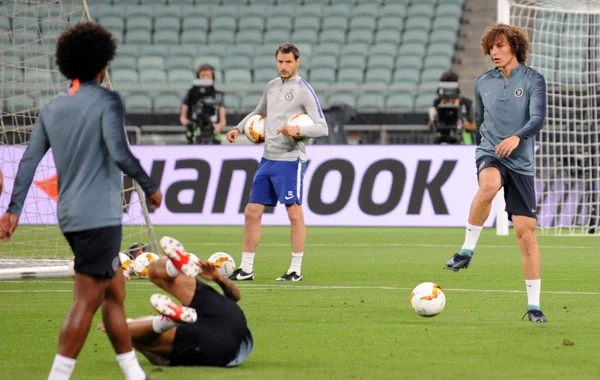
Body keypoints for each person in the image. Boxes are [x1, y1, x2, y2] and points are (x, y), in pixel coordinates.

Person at [0, 22, 162, 379]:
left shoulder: (53, 108)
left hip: (70, 216)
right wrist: (150, 186)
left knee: (114, 292)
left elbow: (28, 160)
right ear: (103, 64)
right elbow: (120, 153)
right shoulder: (107, 100)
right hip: (99, 218)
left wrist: (13, 210)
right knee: (87, 300)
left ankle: (135, 374)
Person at [444, 23, 547, 323]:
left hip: (521, 162)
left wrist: (517, 137)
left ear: (514, 47)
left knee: (525, 235)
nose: (494, 52)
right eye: (490, 47)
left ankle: (534, 307)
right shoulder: (482, 82)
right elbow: (479, 119)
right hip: (490, 151)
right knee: (488, 185)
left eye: (500, 46)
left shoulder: (533, 80)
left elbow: (538, 117)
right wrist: (482, 153)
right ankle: (466, 250)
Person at [225, 42, 329, 282]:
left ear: (297, 62)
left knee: (294, 214)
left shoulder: (304, 90)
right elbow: (258, 112)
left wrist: (298, 129)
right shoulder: (271, 87)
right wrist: (237, 128)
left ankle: (295, 269)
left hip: (290, 159)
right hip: (267, 158)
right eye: (280, 62)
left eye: (288, 62)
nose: (284, 66)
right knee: (252, 211)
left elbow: (322, 127)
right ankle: (247, 268)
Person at [98, 236, 253, 367]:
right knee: (153, 274)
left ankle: (166, 317)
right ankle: (172, 272)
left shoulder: (199, 328)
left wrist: (220, 281)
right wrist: (219, 278)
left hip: (223, 335)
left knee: (135, 336)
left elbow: (235, 297)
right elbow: (235, 297)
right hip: (230, 322)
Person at [180, 64, 226, 145]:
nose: (205, 78)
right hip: (195, 130)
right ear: (198, 77)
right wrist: (188, 124)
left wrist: (218, 127)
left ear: (212, 77)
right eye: (203, 75)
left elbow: (223, 121)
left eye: (208, 75)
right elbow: (183, 117)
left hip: (212, 132)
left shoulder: (218, 95)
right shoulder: (190, 94)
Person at [429, 70, 477, 145]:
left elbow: (475, 126)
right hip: (441, 140)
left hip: (463, 142)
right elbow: (432, 125)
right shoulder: (437, 102)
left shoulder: (466, 103)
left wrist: (464, 125)